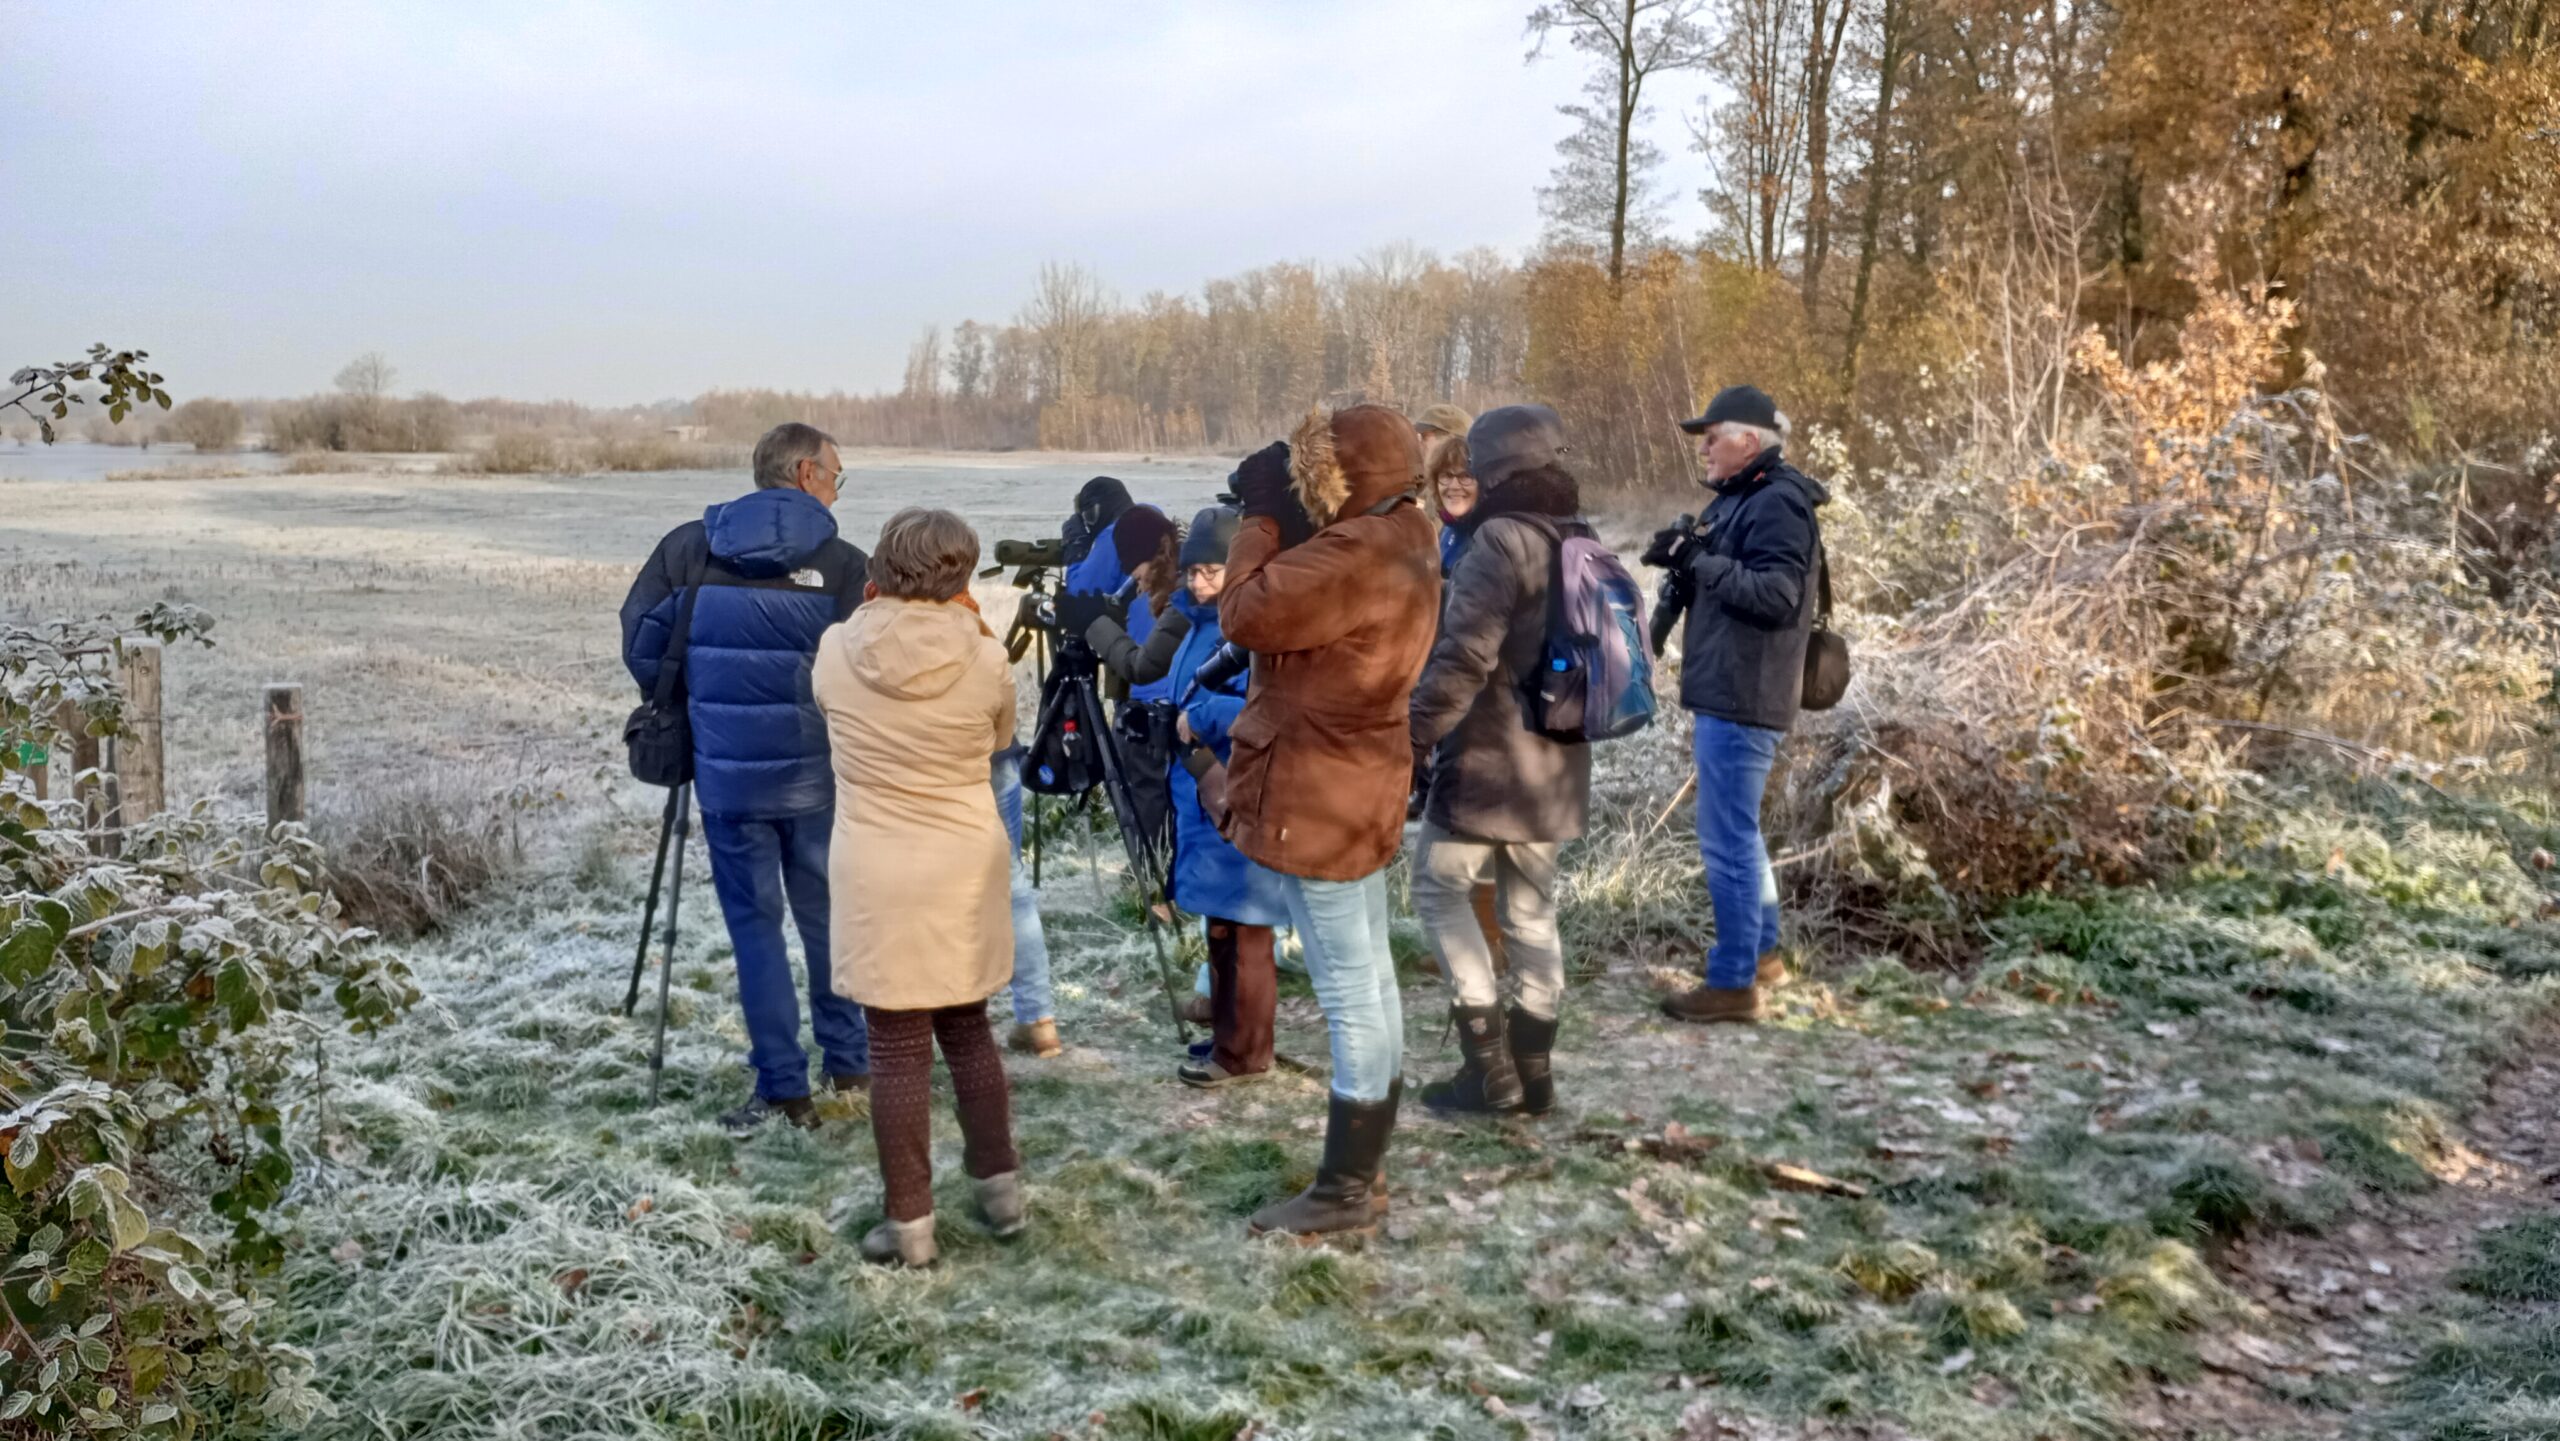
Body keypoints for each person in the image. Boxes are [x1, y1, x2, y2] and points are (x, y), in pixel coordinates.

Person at [1219, 408, 1439, 1237]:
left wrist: (1260, 518)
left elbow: (1241, 613)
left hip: (1319, 783)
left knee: (1351, 986)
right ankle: (1362, 1170)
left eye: (1315, 475)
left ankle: (1347, 1186)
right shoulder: (1406, 530)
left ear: (1340, 478)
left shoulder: (1356, 549)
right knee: (1371, 972)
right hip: (1360, 774)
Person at [620, 423, 870, 1133]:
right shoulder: (845, 563)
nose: (837, 489)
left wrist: (695, 700)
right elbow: (867, 664)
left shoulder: (689, 548)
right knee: (828, 919)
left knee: (756, 932)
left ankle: (784, 1088)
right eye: (835, 475)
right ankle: (849, 1061)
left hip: (728, 781)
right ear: (802, 474)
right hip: (819, 780)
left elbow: (643, 639)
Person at [813, 507, 1024, 1268]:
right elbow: (1001, 739)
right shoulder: (986, 656)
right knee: (969, 1028)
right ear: (960, 575)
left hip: (876, 866)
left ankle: (910, 1223)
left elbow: (830, 715)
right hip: (962, 864)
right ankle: (1000, 1188)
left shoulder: (837, 649)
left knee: (896, 1047)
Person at [1407, 405, 1590, 1115]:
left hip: (1488, 763)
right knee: (1532, 913)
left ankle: (1488, 1070)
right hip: (1559, 760)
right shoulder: (1578, 534)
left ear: (1495, 471)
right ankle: (1535, 1073)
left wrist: (1413, 734)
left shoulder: (1497, 542)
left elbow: (1463, 658)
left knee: (1438, 889)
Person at [1089, 505, 1295, 1087]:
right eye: (1195, 572)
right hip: (1199, 790)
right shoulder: (1195, 622)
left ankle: (1247, 1050)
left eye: (1214, 572)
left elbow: (1269, 708)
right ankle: (1230, 1034)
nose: (1202, 584)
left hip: (1238, 788)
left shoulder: (1255, 629)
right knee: (1221, 926)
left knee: (1247, 925)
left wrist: (1200, 714)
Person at [1651, 386, 1829, 1025]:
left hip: (1743, 693)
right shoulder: (1747, 500)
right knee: (1741, 835)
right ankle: (1761, 958)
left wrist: (1700, 561)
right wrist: (1683, 559)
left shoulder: (1776, 504)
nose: (1703, 446)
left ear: (1749, 442)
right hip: (1737, 688)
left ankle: (1731, 984)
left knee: (1725, 841)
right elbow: (1729, 577)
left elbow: (1779, 597)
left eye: (1713, 435)